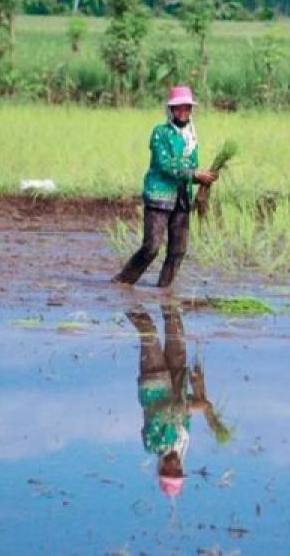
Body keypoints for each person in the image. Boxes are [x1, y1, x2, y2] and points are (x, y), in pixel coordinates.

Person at [113, 86, 215, 288]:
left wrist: (203, 178)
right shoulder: (160, 133)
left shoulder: (191, 138)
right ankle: (123, 281)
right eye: (178, 108)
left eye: (186, 108)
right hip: (159, 197)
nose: (183, 112)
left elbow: (188, 170)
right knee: (152, 247)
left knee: (178, 249)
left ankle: (164, 289)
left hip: (182, 199)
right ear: (171, 110)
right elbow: (164, 164)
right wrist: (195, 174)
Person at [126, 300, 229, 498]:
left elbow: (158, 413)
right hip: (177, 380)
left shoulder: (153, 445)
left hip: (154, 383)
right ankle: (166, 290)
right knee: (175, 325)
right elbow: (185, 408)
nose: (174, 467)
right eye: (177, 472)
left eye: (169, 472)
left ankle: (121, 296)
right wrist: (198, 389)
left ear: (161, 469)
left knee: (148, 330)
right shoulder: (183, 441)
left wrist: (191, 407)